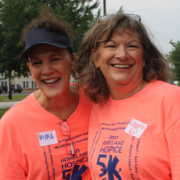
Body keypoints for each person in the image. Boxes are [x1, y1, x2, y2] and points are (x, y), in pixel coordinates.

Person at [76, 13, 180, 179]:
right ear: (96, 58)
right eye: (111, 46)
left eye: (132, 46)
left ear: (144, 57)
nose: (122, 55)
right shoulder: (94, 101)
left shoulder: (171, 100)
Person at [0, 8, 92, 180]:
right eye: (37, 63)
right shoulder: (12, 125)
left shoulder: (97, 100)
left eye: (55, 59)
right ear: (29, 68)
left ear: (72, 60)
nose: (47, 71)